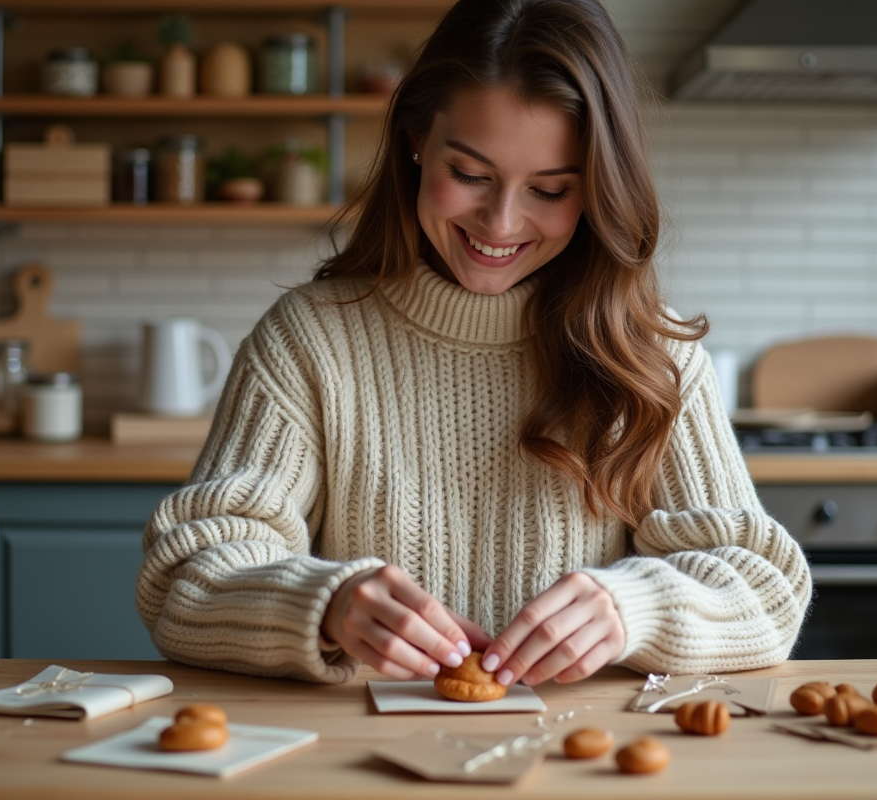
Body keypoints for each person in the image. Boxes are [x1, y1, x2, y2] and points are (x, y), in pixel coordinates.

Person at [136, 0, 811, 688]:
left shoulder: (650, 356)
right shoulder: (310, 341)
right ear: (414, 141)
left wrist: (635, 607)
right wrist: (326, 604)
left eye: (550, 189)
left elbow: (768, 595)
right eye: (470, 175)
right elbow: (184, 581)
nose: (502, 221)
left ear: (600, 191)